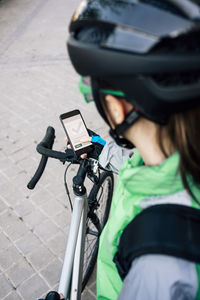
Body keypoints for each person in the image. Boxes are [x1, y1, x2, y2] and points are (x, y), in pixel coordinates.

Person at [67, 0, 200, 299]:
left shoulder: (159, 266)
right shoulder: (178, 155)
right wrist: (101, 151)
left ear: (117, 108)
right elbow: (136, 159)